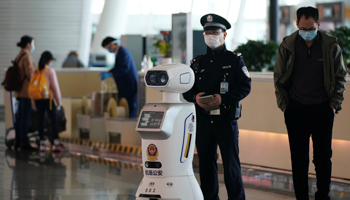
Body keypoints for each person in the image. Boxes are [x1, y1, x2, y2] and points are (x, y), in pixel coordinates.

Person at [274, 7, 346, 200]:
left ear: (318, 25)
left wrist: (333, 105)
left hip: (323, 109)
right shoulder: (287, 45)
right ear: (297, 24)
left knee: (323, 160)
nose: (307, 32)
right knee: (299, 161)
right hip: (295, 110)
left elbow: (340, 77)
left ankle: (323, 196)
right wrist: (284, 105)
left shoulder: (331, 45)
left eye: (311, 27)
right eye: (303, 27)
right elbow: (278, 78)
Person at [183, 14, 251, 200]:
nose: (211, 35)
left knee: (231, 166)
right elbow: (186, 90)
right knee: (206, 166)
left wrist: (224, 99)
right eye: (207, 32)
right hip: (203, 121)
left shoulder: (235, 60)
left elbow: (245, 87)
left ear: (225, 35)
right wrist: (194, 97)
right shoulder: (197, 63)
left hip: (225, 120)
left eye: (215, 32)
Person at [100, 37, 138, 118]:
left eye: (107, 48)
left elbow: (124, 68)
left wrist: (111, 74)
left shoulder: (123, 52)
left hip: (129, 85)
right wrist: (109, 72)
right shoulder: (118, 53)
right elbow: (118, 67)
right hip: (125, 86)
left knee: (130, 108)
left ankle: (129, 128)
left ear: (111, 45)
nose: (108, 50)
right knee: (126, 108)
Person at [33, 51, 64, 152]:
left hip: (37, 99)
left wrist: (33, 103)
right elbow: (55, 87)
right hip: (48, 99)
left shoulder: (35, 71)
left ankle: (42, 143)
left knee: (40, 120)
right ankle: (55, 141)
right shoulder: (50, 71)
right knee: (53, 119)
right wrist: (59, 101)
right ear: (49, 60)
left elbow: (32, 88)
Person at [14, 35, 36, 150]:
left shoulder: (19, 55)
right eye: (33, 44)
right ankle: (24, 142)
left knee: (20, 118)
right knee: (25, 118)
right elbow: (30, 74)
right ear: (28, 44)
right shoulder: (26, 56)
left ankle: (18, 141)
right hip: (26, 91)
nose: (33, 46)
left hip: (19, 92)